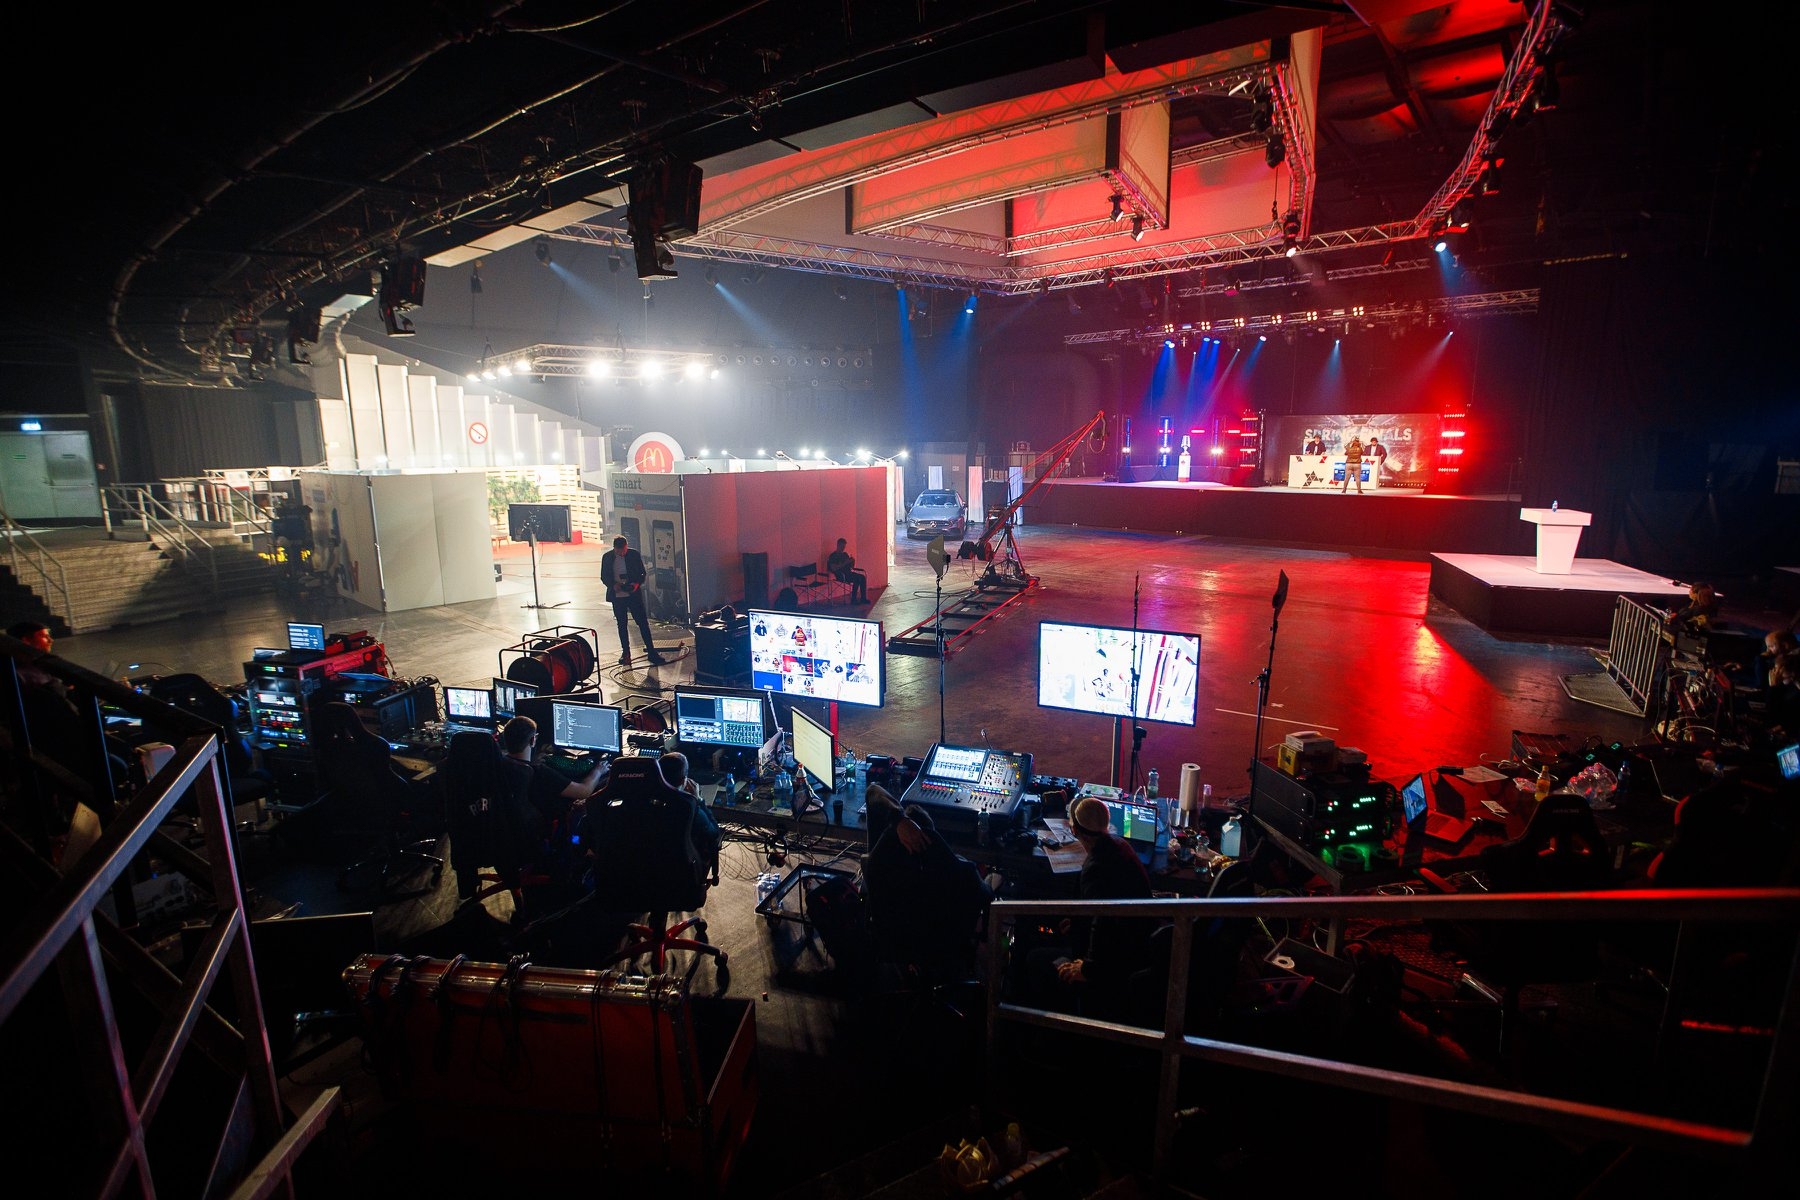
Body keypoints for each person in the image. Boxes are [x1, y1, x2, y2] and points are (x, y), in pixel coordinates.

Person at [1021, 796, 1153, 1015]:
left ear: (1074, 830)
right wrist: (1079, 921)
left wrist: (1087, 968)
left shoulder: (1095, 868)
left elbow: (1103, 922)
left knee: (1034, 958)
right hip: (1136, 949)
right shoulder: (1120, 845)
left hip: (1112, 966)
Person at [863, 785, 994, 978]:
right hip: (945, 950)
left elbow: (873, 791)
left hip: (894, 947)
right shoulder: (962, 871)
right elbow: (987, 897)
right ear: (932, 835)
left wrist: (899, 820)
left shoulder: (879, 862)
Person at [497, 715, 608, 833]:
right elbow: (583, 791)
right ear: (533, 740)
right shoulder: (539, 772)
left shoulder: (499, 764)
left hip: (508, 829)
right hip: (539, 829)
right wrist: (598, 771)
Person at [601, 535, 666, 666]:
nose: (622, 554)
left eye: (624, 551)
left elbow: (642, 573)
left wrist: (636, 584)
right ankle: (626, 653)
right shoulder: (607, 557)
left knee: (642, 623)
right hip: (618, 596)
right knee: (622, 624)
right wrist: (613, 585)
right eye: (619, 552)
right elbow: (604, 576)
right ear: (614, 548)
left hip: (633, 595)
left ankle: (651, 652)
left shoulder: (634, 555)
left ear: (627, 546)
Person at [826, 537, 869, 603]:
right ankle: (853, 599)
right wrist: (845, 563)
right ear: (838, 545)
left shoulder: (845, 554)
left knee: (862, 577)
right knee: (857, 579)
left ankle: (863, 598)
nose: (843, 548)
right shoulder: (833, 556)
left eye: (844, 547)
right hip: (841, 575)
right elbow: (833, 568)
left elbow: (851, 567)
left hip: (848, 573)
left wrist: (852, 561)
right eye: (842, 546)